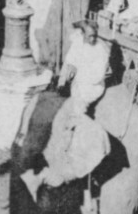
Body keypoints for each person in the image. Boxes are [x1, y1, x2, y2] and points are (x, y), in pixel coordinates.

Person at [23, 21, 114, 197]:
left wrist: (79, 72)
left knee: (76, 115)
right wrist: (68, 70)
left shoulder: (101, 49)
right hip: (77, 84)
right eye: (89, 36)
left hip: (90, 88)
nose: (92, 39)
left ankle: (69, 155)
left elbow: (97, 75)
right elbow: (72, 59)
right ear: (83, 35)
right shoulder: (79, 42)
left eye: (94, 36)